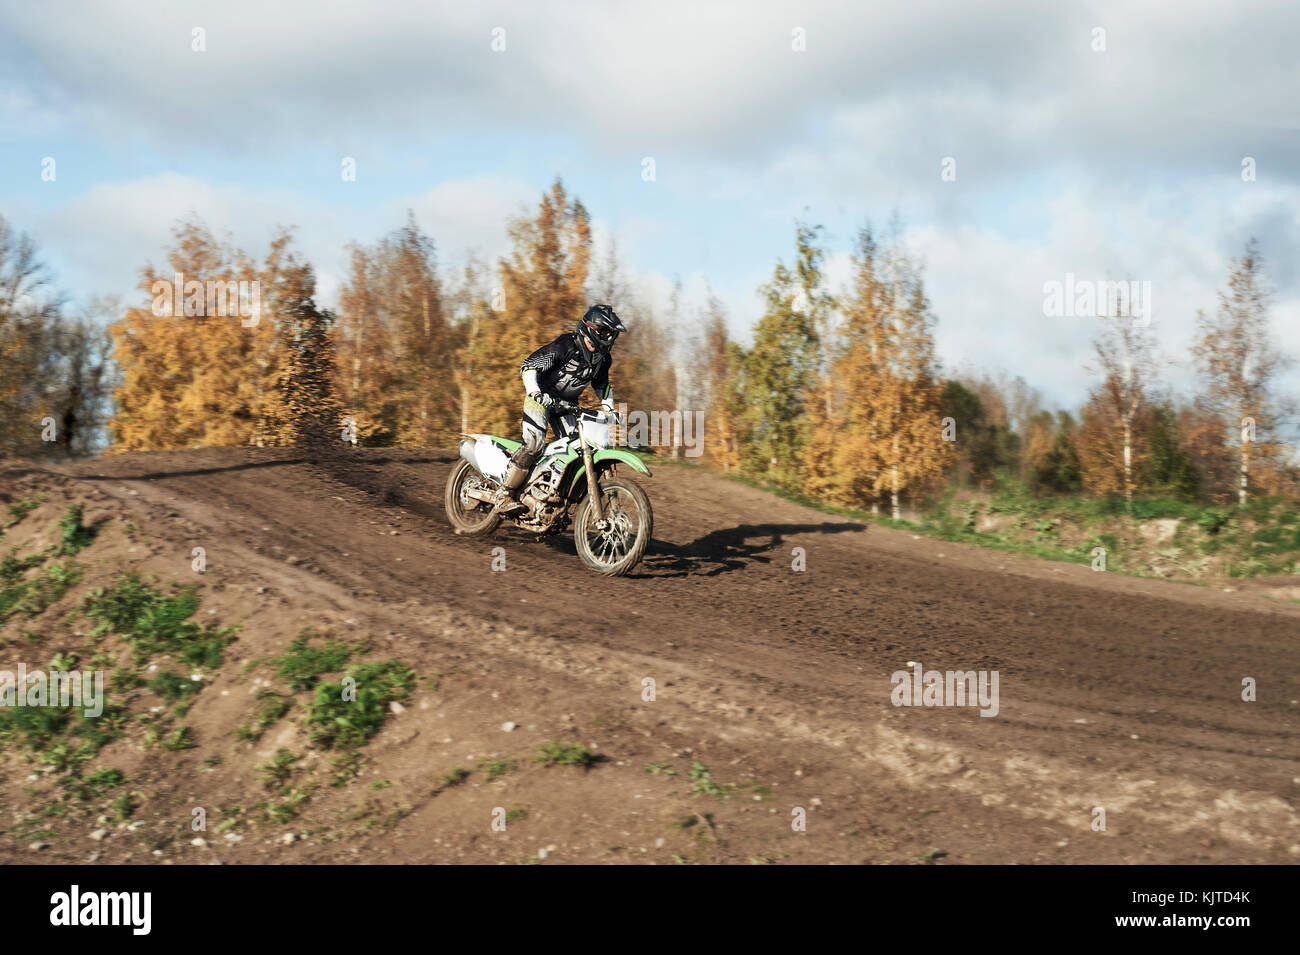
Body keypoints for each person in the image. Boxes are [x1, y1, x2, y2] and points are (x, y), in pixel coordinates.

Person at [492, 304, 626, 515]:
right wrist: (535, 392)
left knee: (579, 451)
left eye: (612, 334)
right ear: (592, 329)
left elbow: (602, 385)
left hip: (566, 406)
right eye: (606, 332)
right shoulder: (566, 346)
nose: (610, 338)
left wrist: (610, 410)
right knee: (535, 443)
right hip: (540, 399)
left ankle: (550, 495)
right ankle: (504, 494)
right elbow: (530, 366)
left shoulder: (602, 359)